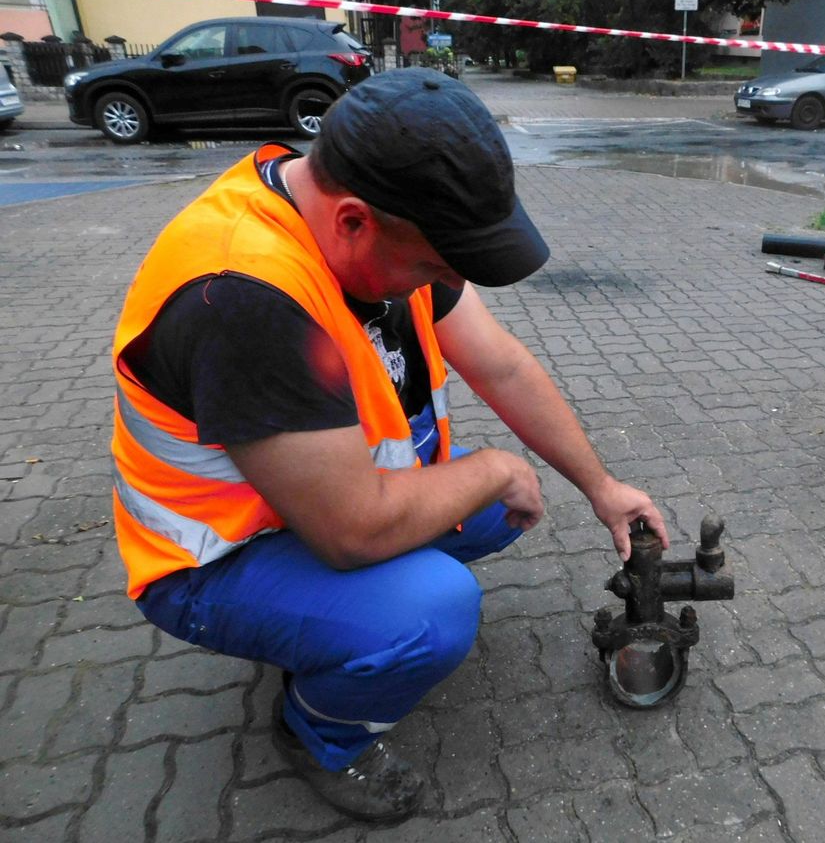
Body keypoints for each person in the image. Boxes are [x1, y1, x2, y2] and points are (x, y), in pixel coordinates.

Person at [109, 67, 669, 823]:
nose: (441, 283)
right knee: (433, 608)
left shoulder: (381, 219)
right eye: (435, 267)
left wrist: (600, 484)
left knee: (498, 510)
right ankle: (319, 729)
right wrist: (495, 465)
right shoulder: (245, 296)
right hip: (212, 560)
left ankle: (333, 626)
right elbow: (353, 531)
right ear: (352, 221)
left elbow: (499, 361)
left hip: (310, 502)